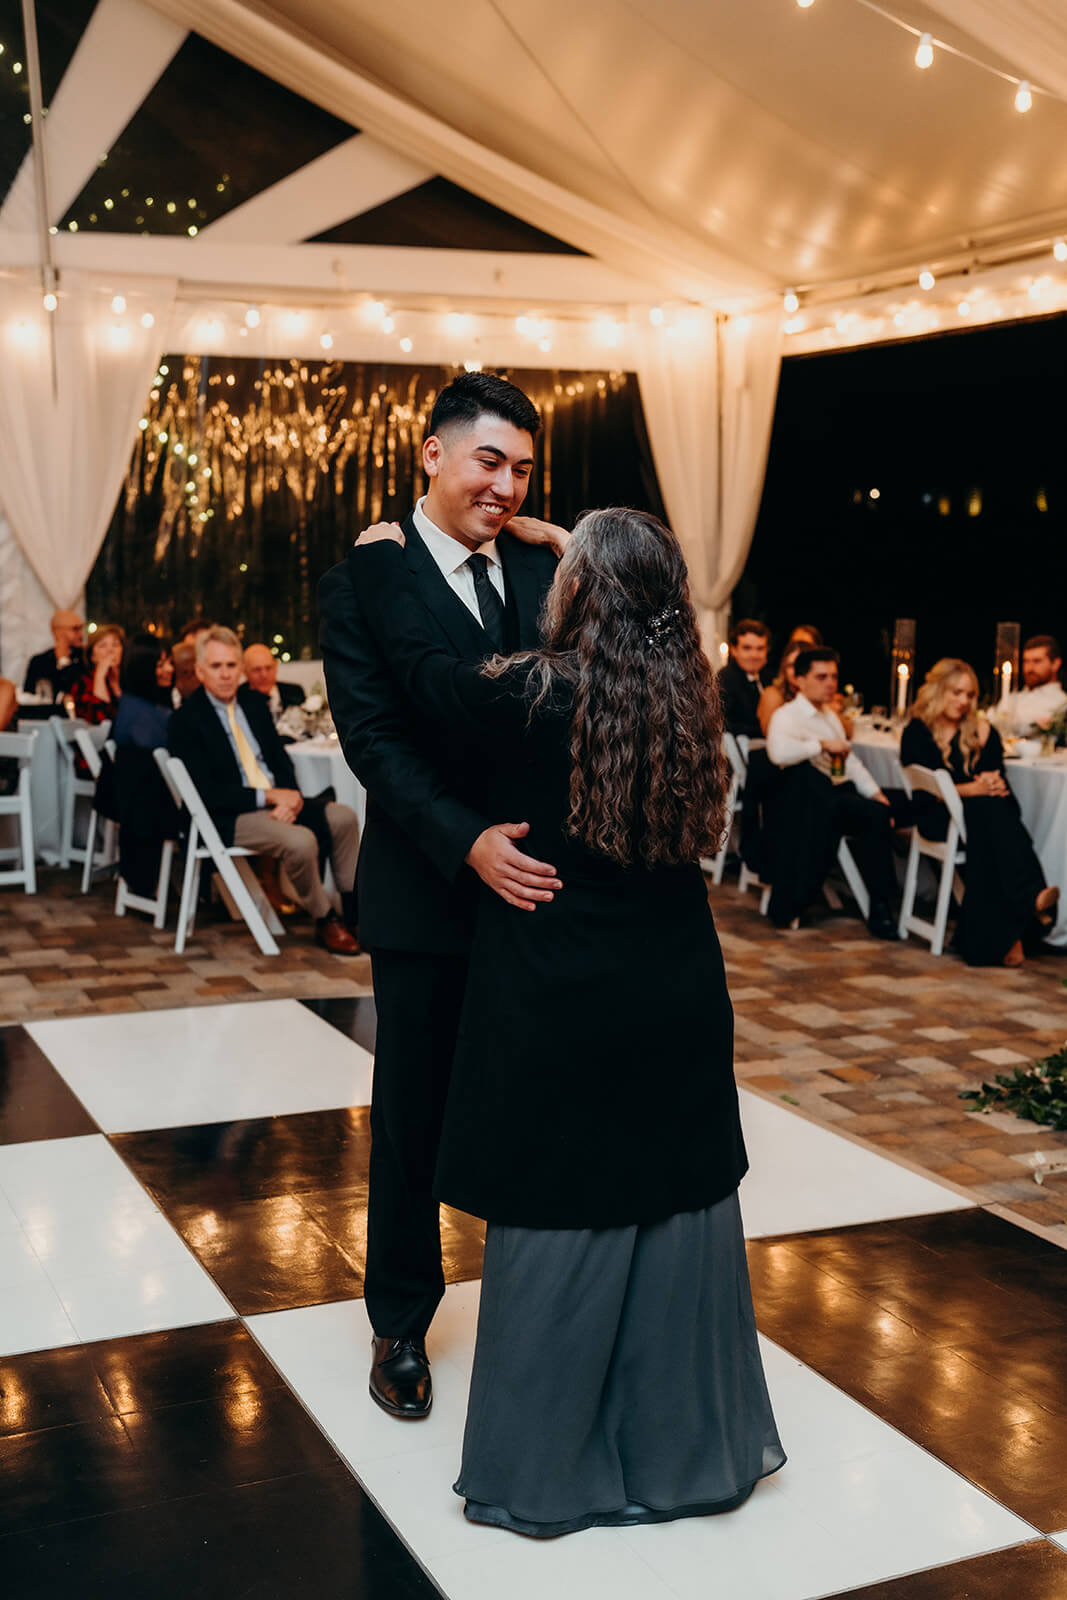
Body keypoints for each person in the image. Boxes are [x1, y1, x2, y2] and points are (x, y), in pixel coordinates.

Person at [349, 505, 784, 1536]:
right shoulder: (687, 694)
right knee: (668, 1201)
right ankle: (679, 1443)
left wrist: (381, 567)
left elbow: (418, 671)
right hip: (675, 989)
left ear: (580, 592)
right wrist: (589, 550)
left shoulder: (534, 697)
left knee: (559, 1203)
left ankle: (549, 1457)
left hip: (560, 991)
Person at [320, 372, 562, 1421]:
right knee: (414, 1110)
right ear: (431, 454)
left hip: (531, 890)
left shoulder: (540, 573)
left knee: (524, 1101)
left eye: (519, 470)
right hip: (426, 887)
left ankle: (532, 1309)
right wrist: (464, 841)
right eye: (487, 461)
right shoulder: (367, 574)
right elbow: (372, 741)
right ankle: (400, 1322)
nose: (503, 486)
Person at [168, 625, 361, 955]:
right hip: (230, 814)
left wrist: (292, 798)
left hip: (276, 801)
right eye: (216, 667)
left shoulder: (254, 705)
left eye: (231, 665)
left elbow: (280, 761)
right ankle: (325, 918)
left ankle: (354, 912)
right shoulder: (186, 720)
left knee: (344, 817)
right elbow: (207, 792)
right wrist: (270, 797)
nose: (226, 674)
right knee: (300, 841)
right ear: (200, 671)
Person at [901, 658, 1058, 966]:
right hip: (938, 819)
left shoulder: (981, 731)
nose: (964, 701)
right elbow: (925, 795)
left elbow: (994, 781)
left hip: (978, 822)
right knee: (989, 815)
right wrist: (969, 789)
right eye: (956, 692)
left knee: (991, 813)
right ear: (937, 691)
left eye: (970, 695)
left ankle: (1005, 937)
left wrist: (992, 779)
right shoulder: (917, 732)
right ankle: (1030, 896)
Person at [765, 647, 899, 937]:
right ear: (799, 680)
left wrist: (875, 793)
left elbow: (849, 763)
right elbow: (777, 753)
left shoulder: (831, 717)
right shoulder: (786, 716)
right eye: (821, 676)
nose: (830, 683)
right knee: (872, 814)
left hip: (836, 796)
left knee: (884, 808)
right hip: (806, 806)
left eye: (834, 677)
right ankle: (880, 906)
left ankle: (881, 905)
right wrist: (822, 745)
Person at [109, 637, 180, 898]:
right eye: (160, 664)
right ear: (142, 668)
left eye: (169, 662)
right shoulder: (141, 716)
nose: (169, 669)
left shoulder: (142, 704)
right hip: (158, 812)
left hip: (143, 811)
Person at [999, 635, 1067, 736]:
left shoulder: (1061, 702)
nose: (1029, 668)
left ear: (1055, 664)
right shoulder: (1014, 697)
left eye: (1037, 661)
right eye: (1026, 661)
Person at [717, 618, 771, 739]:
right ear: (734, 650)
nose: (754, 655)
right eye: (747, 648)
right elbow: (724, 724)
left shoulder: (769, 677)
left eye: (760, 648)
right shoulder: (725, 679)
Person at [23, 609, 85, 697]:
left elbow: (76, 690)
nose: (81, 633)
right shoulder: (39, 661)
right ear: (57, 631)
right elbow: (29, 695)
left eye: (81, 628)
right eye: (75, 629)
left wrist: (64, 661)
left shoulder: (86, 657)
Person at [72, 624, 124, 724]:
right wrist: (100, 675)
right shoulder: (83, 683)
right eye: (102, 645)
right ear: (92, 656)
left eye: (115, 645)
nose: (110, 650)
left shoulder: (129, 679)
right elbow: (99, 721)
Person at [243, 643, 304, 721]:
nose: (264, 675)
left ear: (275, 667)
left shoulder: (295, 692)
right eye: (257, 670)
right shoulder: (238, 699)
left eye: (268, 668)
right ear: (245, 672)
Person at [757, 641, 803, 735]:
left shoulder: (819, 698)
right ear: (784, 668)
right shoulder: (773, 695)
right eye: (791, 665)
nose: (795, 671)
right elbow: (771, 734)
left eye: (800, 665)